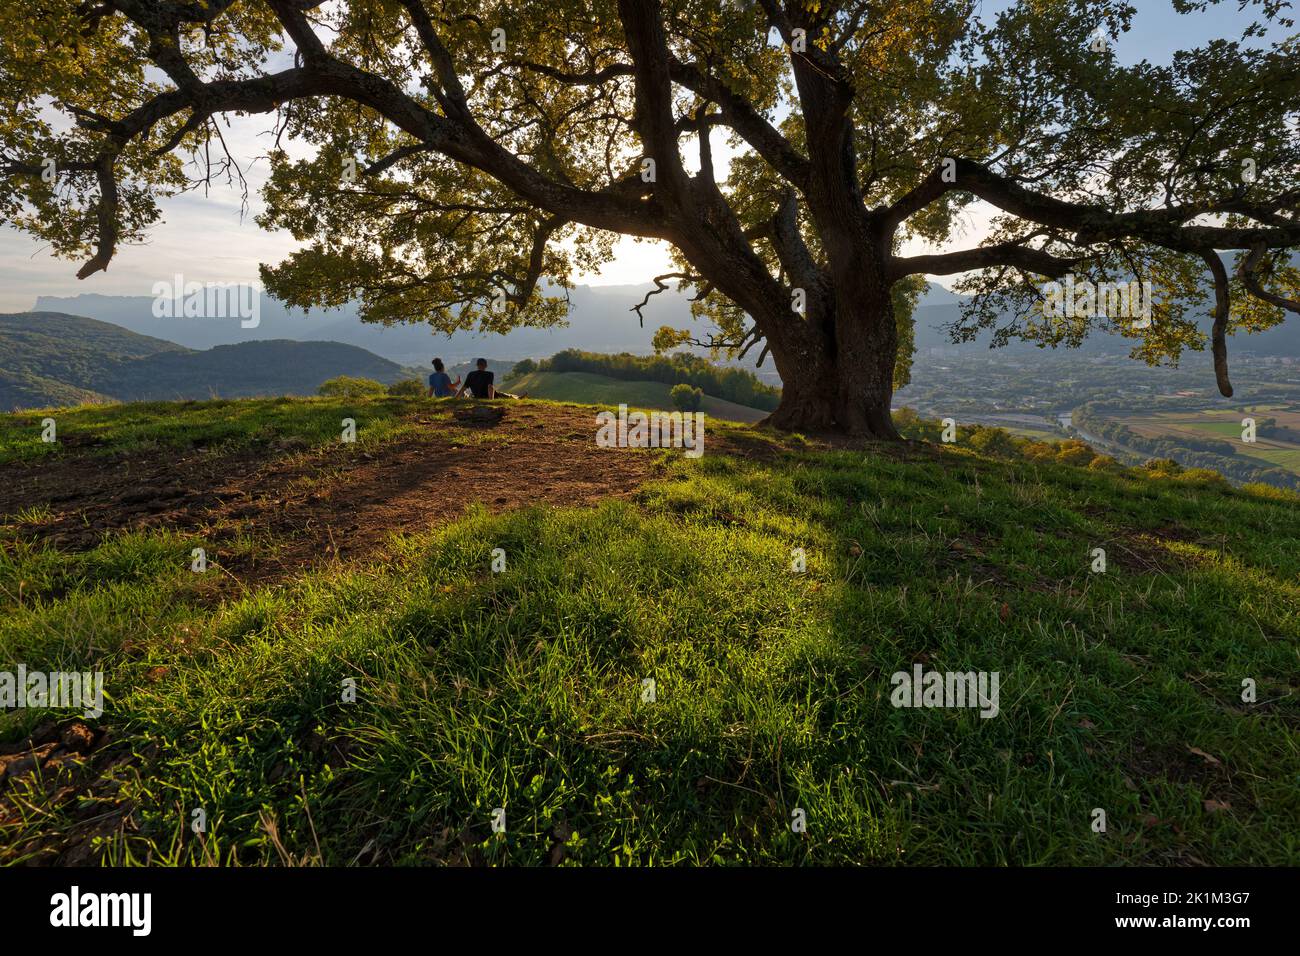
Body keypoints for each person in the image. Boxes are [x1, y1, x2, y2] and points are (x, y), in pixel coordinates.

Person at [455, 358, 526, 400]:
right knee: (504, 395)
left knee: (502, 394)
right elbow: (490, 387)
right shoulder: (489, 374)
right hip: (487, 396)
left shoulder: (471, 374)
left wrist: (455, 399)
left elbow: (463, 388)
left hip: (476, 396)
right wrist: (490, 400)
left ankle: (517, 397)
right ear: (485, 366)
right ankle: (518, 398)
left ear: (477, 365)